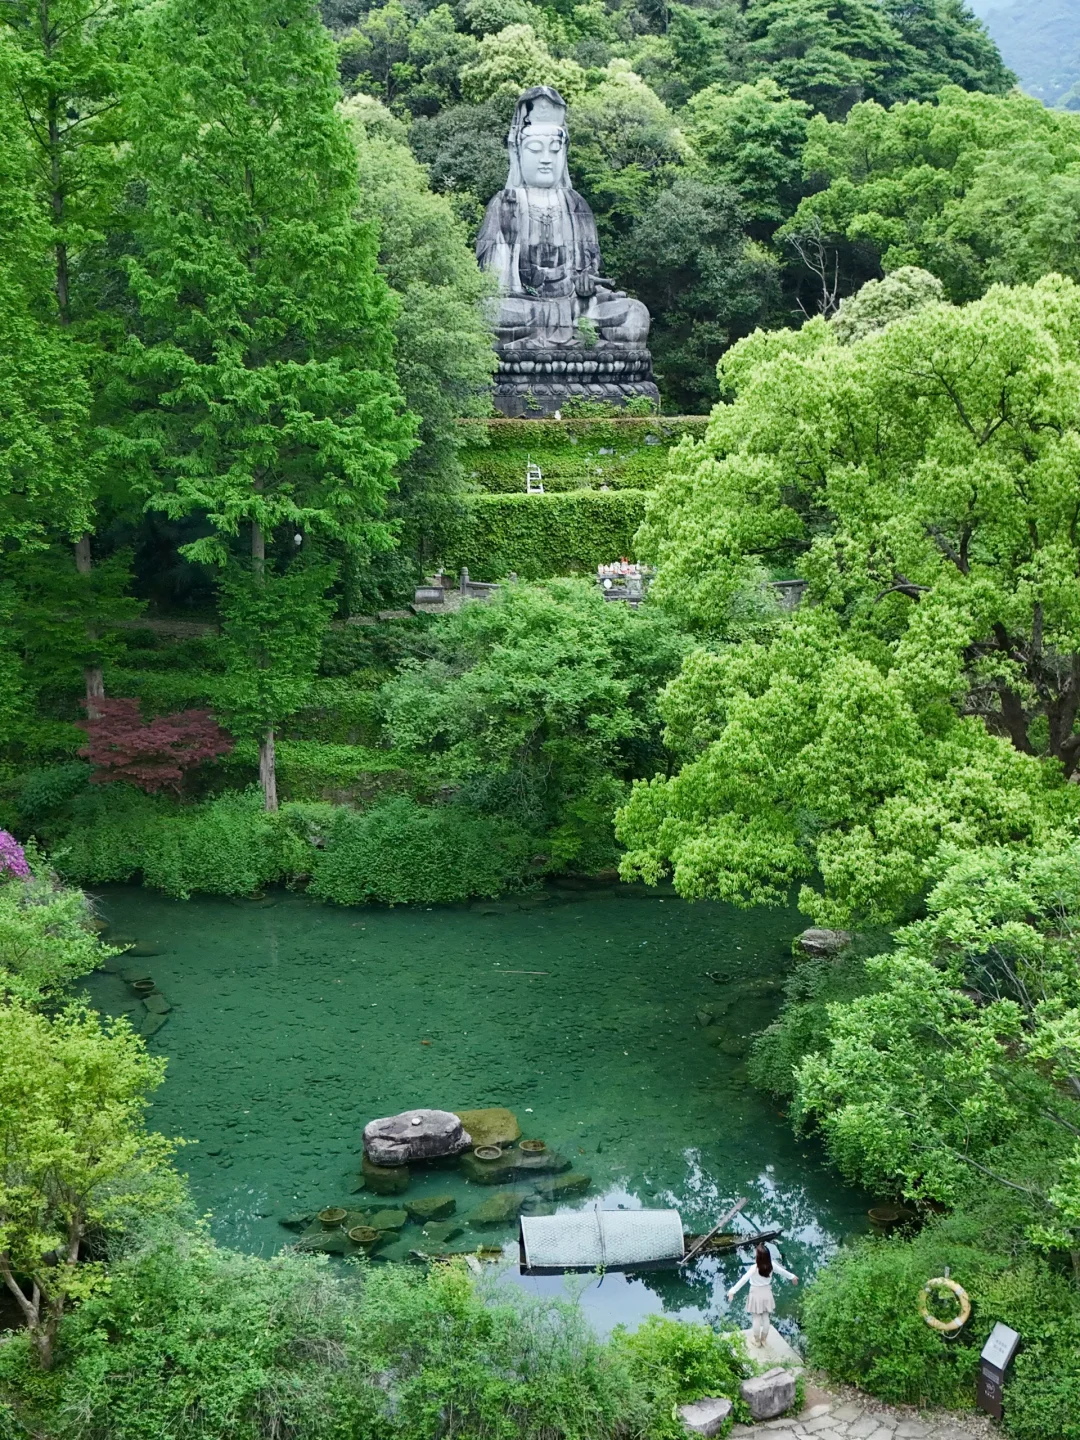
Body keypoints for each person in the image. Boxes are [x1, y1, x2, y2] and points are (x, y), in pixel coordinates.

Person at [726, 1242, 798, 1347]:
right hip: (767, 1292)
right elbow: (783, 1272)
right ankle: (764, 1339)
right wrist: (793, 1277)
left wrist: (732, 1291)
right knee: (766, 1317)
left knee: (756, 1318)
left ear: (758, 1257)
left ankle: (757, 1340)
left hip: (755, 1293)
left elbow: (743, 1279)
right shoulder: (771, 1265)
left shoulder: (754, 1268)